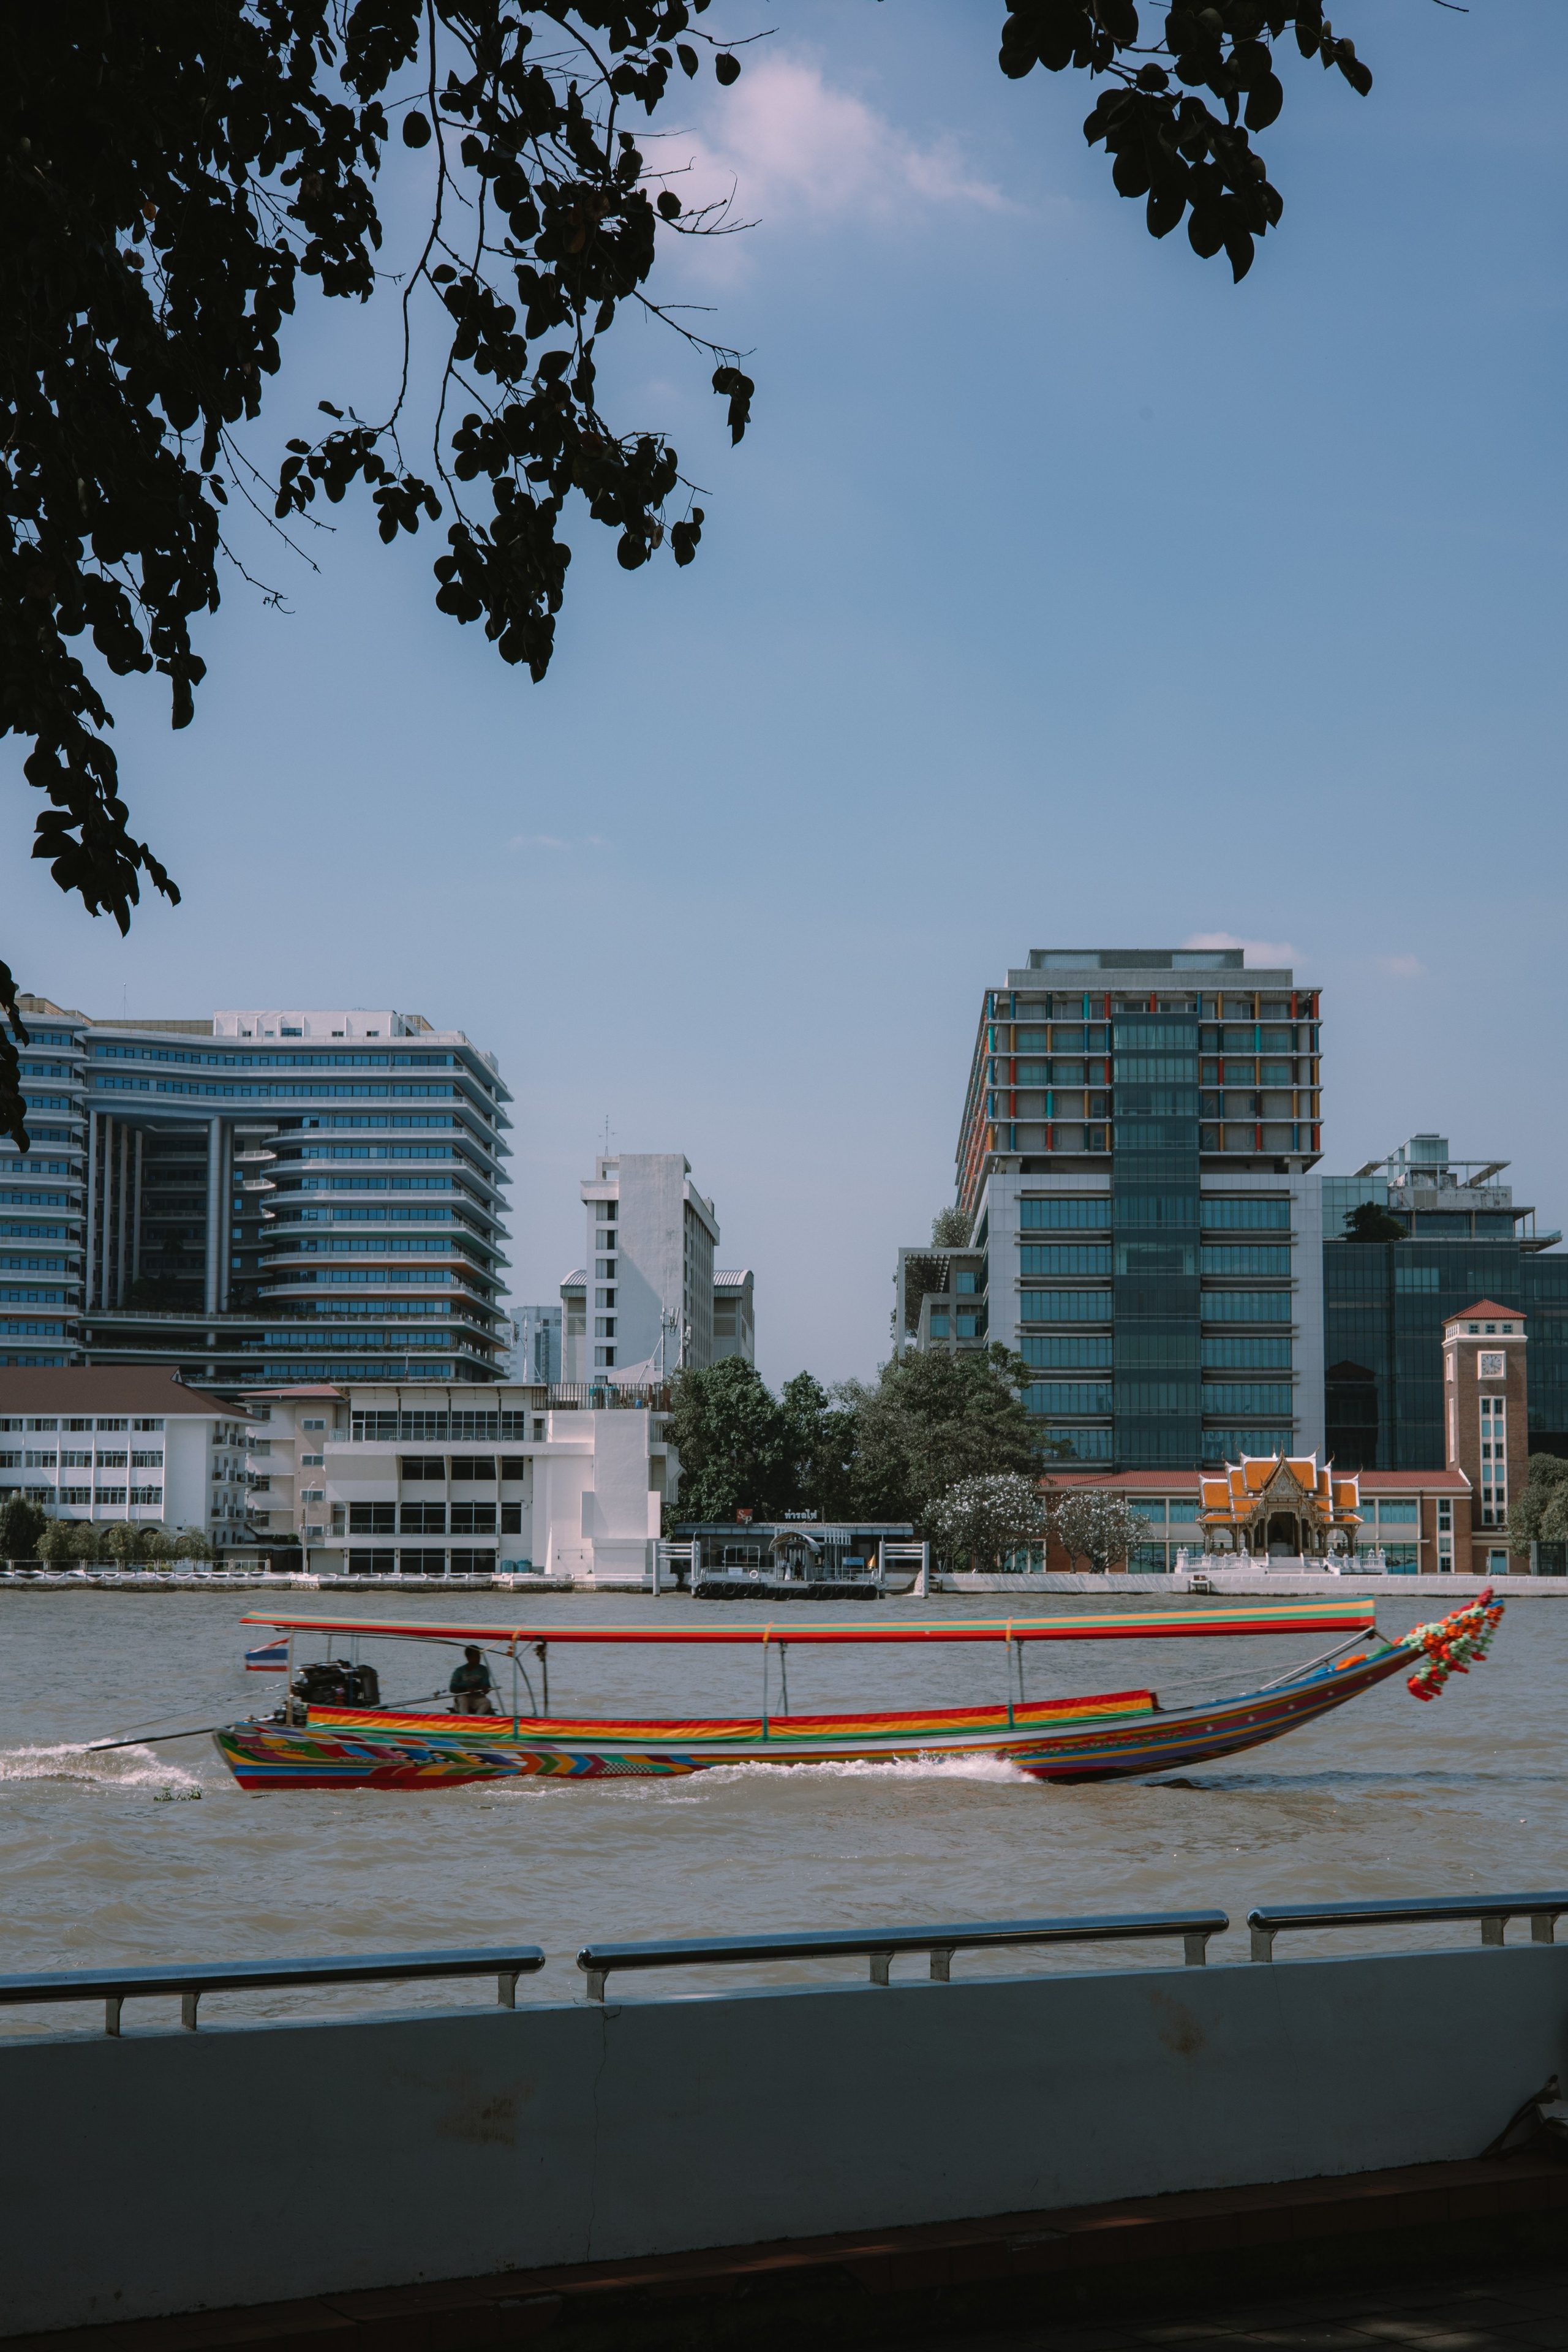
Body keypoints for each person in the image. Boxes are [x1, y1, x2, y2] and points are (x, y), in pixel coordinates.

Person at [449, 1646, 497, 1715]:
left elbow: (487, 1687)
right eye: (476, 1656)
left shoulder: (483, 1670)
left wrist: (485, 1689)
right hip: (463, 1696)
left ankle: (477, 1718)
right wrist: (467, 1689)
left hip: (476, 1697)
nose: (478, 1658)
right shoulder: (459, 1671)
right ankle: (465, 1717)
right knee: (464, 1700)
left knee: (487, 1702)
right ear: (468, 1657)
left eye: (479, 1656)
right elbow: (452, 1688)